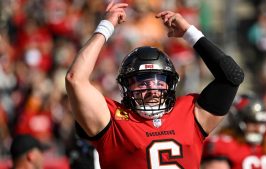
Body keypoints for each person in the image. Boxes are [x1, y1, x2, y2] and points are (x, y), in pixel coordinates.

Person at [65, 1, 244, 168]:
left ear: (171, 84)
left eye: (159, 81)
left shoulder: (190, 113)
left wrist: (190, 33)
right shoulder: (113, 120)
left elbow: (231, 76)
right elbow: (75, 79)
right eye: (141, 81)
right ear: (126, 87)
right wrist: (105, 27)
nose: (152, 88)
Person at [201, 93, 266, 169]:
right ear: (237, 120)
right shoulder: (224, 144)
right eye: (252, 122)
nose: (258, 128)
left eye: (262, 123)